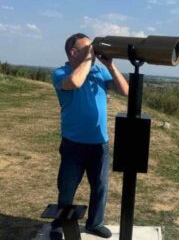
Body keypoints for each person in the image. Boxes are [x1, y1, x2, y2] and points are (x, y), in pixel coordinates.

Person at [50, 33, 129, 239]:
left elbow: (125, 90)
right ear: (73, 52)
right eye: (87, 48)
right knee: (67, 188)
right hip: (73, 143)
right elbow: (75, 82)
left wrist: (110, 65)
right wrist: (88, 59)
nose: (92, 52)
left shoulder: (98, 71)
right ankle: (60, 223)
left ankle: (95, 222)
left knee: (100, 187)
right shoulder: (60, 73)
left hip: (99, 143)